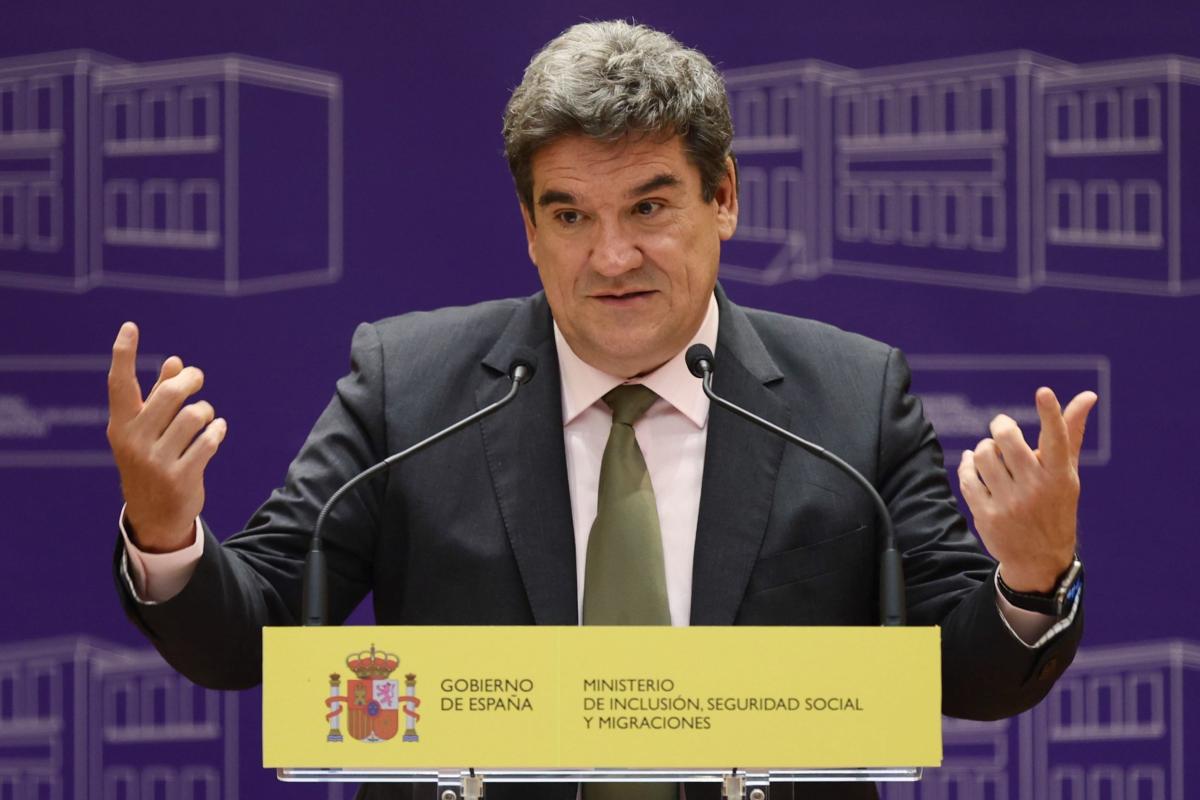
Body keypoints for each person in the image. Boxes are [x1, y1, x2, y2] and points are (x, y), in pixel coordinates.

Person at [106, 21, 1095, 800]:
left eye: (649, 207)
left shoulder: (851, 398)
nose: (611, 256)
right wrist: (166, 536)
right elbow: (253, 631)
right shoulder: (409, 385)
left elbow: (963, 673)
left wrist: (1031, 577)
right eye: (571, 214)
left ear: (724, 198)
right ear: (529, 227)